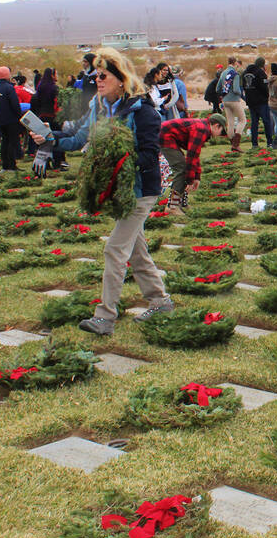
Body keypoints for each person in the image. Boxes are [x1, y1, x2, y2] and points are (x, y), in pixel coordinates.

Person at [30, 49, 171, 336]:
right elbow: (79, 138)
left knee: (115, 249)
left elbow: (148, 155)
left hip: (141, 189)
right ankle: (160, 302)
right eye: (96, 75)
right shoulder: (98, 106)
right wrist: (49, 137)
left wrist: (113, 162)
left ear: (121, 79)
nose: (98, 80)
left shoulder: (143, 112)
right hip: (119, 189)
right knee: (136, 250)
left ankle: (105, 316)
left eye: (103, 75)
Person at [159, 112, 228, 212]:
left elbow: (195, 155)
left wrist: (197, 177)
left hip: (169, 136)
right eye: (221, 132)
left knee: (184, 170)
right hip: (165, 136)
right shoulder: (201, 130)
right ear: (217, 126)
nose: (219, 136)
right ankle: (172, 206)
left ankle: (182, 203)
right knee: (181, 169)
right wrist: (191, 180)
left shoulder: (203, 128)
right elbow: (191, 157)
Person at [31, 68, 66, 169]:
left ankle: (45, 164)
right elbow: (57, 102)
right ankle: (57, 163)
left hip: (42, 116)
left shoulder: (40, 87)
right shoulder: (54, 88)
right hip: (53, 116)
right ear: (52, 75)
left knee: (44, 140)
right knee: (56, 138)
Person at [0, 66, 21, 172]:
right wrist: (19, 115)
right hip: (11, 118)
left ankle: (5, 165)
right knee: (12, 141)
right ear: (7, 75)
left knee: (4, 141)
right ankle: (12, 165)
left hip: (0, 118)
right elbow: (15, 104)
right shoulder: (9, 88)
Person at [217, 57, 246, 151]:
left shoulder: (223, 73)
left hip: (225, 100)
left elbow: (217, 89)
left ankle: (233, 143)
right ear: (235, 63)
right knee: (242, 120)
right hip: (234, 100)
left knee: (230, 122)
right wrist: (242, 94)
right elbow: (236, 89)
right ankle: (236, 144)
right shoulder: (235, 74)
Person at [243, 56, 272, 149]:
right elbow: (264, 87)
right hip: (261, 101)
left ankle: (254, 143)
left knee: (254, 123)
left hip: (250, 101)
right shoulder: (260, 73)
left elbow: (243, 86)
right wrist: (267, 96)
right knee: (266, 121)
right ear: (262, 64)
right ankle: (269, 142)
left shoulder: (245, 73)